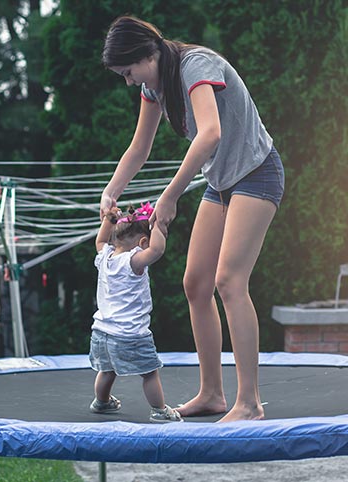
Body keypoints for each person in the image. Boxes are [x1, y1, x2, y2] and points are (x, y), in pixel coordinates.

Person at [99, 16, 285, 422]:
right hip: (221, 182)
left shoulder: (194, 66)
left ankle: (250, 403)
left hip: (257, 172)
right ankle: (213, 394)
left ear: (147, 54)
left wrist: (169, 197)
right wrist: (111, 191)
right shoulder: (154, 85)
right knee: (196, 284)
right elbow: (139, 148)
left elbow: (211, 134)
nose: (129, 82)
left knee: (229, 281)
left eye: (128, 72)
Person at [89, 202, 183, 424]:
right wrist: (159, 224)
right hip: (130, 334)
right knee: (150, 372)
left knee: (107, 369)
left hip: (101, 332)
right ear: (142, 243)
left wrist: (108, 220)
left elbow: (100, 240)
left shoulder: (105, 256)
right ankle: (159, 410)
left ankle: (101, 401)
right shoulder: (133, 261)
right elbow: (158, 250)